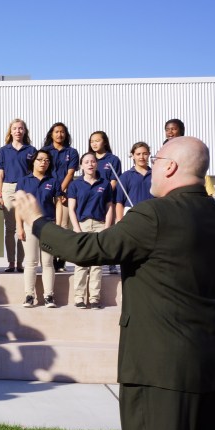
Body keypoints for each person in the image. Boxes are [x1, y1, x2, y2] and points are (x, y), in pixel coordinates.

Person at [13, 136, 215, 430]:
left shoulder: (154, 215)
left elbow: (86, 249)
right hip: (209, 363)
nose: (150, 168)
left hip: (159, 369)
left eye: (156, 159)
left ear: (170, 167)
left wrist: (38, 221)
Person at [15, 148, 61, 308]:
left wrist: (58, 225)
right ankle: (29, 295)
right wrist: (19, 227)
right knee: (31, 262)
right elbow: (19, 206)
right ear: (33, 162)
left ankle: (49, 296)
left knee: (48, 262)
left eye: (47, 160)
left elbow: (58, 205)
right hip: (29, 225)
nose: (43, 163)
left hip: (48, 225)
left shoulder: (53, 181)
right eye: (40, 159)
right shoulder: (23, 181)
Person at [67, 152, 113, 309]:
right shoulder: (75, 185)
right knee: (81, 262)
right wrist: (77, 228)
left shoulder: (105, 184)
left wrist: (107, 227)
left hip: (100, 225)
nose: (90, 164)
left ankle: (94, 298)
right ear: (81, 165)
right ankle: (79, 297)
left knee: (96, 265)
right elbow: (71, 209)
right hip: (82, 225)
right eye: (86, 162)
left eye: (93, 161)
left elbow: (109, 207)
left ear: (97, 164)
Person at [0, 118, 36, 273]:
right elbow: (0, 174)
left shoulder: (31, 150)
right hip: (8, 189)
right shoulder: (3, 151)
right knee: (10, 228)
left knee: (23, 227)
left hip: (25, 188)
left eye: (20, 128)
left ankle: (20, 263)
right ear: (10, 131)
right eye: (15, 128)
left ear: (24, 131)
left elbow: (35, 173)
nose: (18, 131)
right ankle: (11, 262)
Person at [42, 122, 78, 271]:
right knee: (48, 227)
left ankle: (61, 261)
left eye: (62, 132)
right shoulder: (45, 151)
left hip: (64, 194)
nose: (59, 134)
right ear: (51, 134)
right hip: (46, 192)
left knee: (63, 227)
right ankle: (49, 260)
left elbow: (70, 173)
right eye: (56, 131)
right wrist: (50, 192)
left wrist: (59, 191)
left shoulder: (72, 152)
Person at [89, 130, 122, 275]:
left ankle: (112, 262)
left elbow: (114, 181)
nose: (94, 144)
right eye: (92, 141)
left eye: (97, 140)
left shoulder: (113, 159)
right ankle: (91, 261)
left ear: (105, 142)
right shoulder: (90, 159)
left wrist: (103, 194)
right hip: (92, 202)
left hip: (108, 200)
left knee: (109, 231)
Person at [115, 142, 152, 222]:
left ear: (149, 154)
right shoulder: (125, 176)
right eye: (138, 154)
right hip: (132, 217)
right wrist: (119, 222)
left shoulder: (155, 175)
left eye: (145, 154)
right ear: (133, 156)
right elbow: (119, 202)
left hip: (151, 216)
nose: (141, 157)